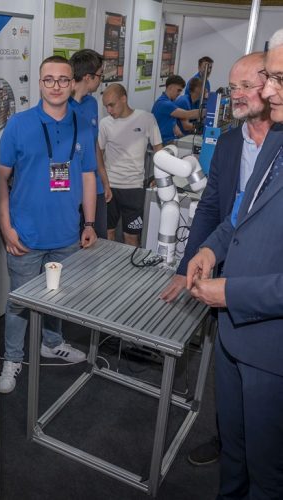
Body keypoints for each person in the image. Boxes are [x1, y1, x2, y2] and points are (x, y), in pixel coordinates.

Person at [160, 52, 273, 467]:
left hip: (268, 285)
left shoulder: (278, 150)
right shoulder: (228, 143)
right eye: (233, 86)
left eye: (248, 86)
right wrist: (185, 265)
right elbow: (213, 211)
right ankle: (227, 439)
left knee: (265, 403)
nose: (237, 95)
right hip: (224, 268)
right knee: (227, 376)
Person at [185, 29, 283, 497]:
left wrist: (232, 292)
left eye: (275, 79)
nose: (266, 91)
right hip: (233, 331)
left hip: (271, 342)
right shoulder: (267, 145)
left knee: (268, 469)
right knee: (237, 452)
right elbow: (236, 214)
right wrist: (207, 251)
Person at [0, 55, 97, 394]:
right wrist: (6, 227)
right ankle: (12, 358)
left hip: (66, 234)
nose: (56, 86)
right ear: (40, 83)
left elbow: (88, 176)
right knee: (19, 302)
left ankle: (51, 342)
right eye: (49, 80)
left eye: (63, 80)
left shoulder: (84, 124)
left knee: (56, 296)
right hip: (24, 234)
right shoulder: (18, 125)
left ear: (72, 83)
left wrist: (89, 223)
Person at [99, 83, 162, 245]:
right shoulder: (105, 124)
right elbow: (99, 153)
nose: (109, 110)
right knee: (108, 233)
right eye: (106, 107)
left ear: (124, 99)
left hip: (134, 188)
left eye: (112, 105)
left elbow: (158, 150)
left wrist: (159, 176)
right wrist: (104, 182)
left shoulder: (146, 118)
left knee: (131, 237)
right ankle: (109, 262)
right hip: (110, 188)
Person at [69, 49, 112, 238]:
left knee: (97, 239)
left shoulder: (92, 103)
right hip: (71, 188)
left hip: (94, 186)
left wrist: (104, 180)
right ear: (88, 77)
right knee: (72, 243)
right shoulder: (61, 106)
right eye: (100, 75)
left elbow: (94, 145)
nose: (101, 80)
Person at [152, 75, 201, 145]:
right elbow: (187, 114)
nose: (179, 94)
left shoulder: (170, 102)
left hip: (170, 140)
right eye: (178, 90)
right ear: (170, 87)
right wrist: (206, 111)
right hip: (163, 143)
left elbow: (176, 129)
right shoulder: (164, 103)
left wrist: (184, 140)